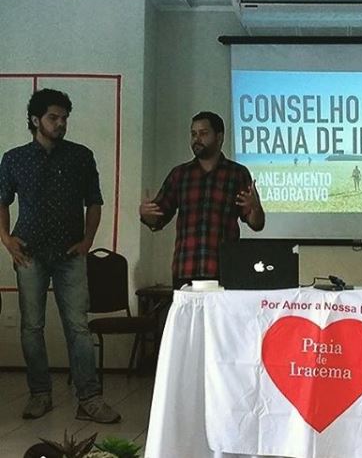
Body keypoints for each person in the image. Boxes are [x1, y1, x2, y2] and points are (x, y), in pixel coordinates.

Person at [0, 89, 121, 423]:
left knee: (78, 326)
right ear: (35, 120)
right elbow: (2, 200)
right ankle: (40, 394)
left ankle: (90, 399)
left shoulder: (80, 156)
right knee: (31, 326)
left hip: (70, 253)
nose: (61, 123)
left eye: (64, 118)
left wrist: (88, 241)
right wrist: (6, 239)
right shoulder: (14, 158)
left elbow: (94, 201)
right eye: (53, 117)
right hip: (29, 253)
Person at [140, 111, 265, 287]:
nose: (196, 139)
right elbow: (158, 218)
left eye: (203, 133)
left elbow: (256, 224)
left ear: (219, 137)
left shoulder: (237, 173)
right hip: (186, 268)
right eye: (193, 134)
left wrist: (256, 208)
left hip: (224, 269)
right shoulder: (180, 174)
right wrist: (146, 214)